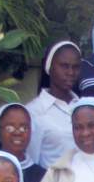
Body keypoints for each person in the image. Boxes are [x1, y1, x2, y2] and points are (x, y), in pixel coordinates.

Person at [26, 40, 81, 168]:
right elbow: (32, 161)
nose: (71, 72)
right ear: (49, 67)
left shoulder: (85, 107)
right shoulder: (34, 112)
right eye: (64, 66)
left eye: (76, 67)